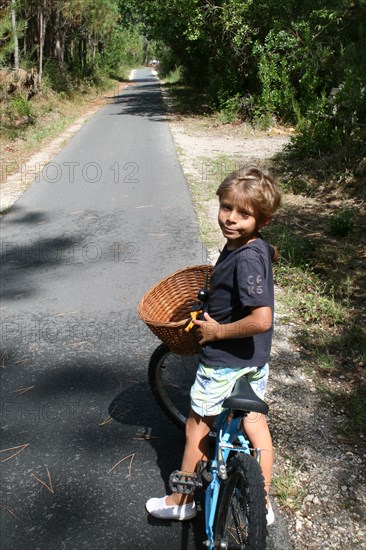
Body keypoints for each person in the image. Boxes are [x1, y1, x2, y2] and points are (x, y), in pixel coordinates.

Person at [146, 165, 281, 524]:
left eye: (244, 214)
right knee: (255, 424)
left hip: (225, 359)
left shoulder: (247, 257)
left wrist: (218, 332)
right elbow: (259, 266)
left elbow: (262, 319)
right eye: (226, 208)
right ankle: (261, 502)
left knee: (197, 425)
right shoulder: (254, 248)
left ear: (262, 220)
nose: (230, 219)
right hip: (255, 357)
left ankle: (181, 501)